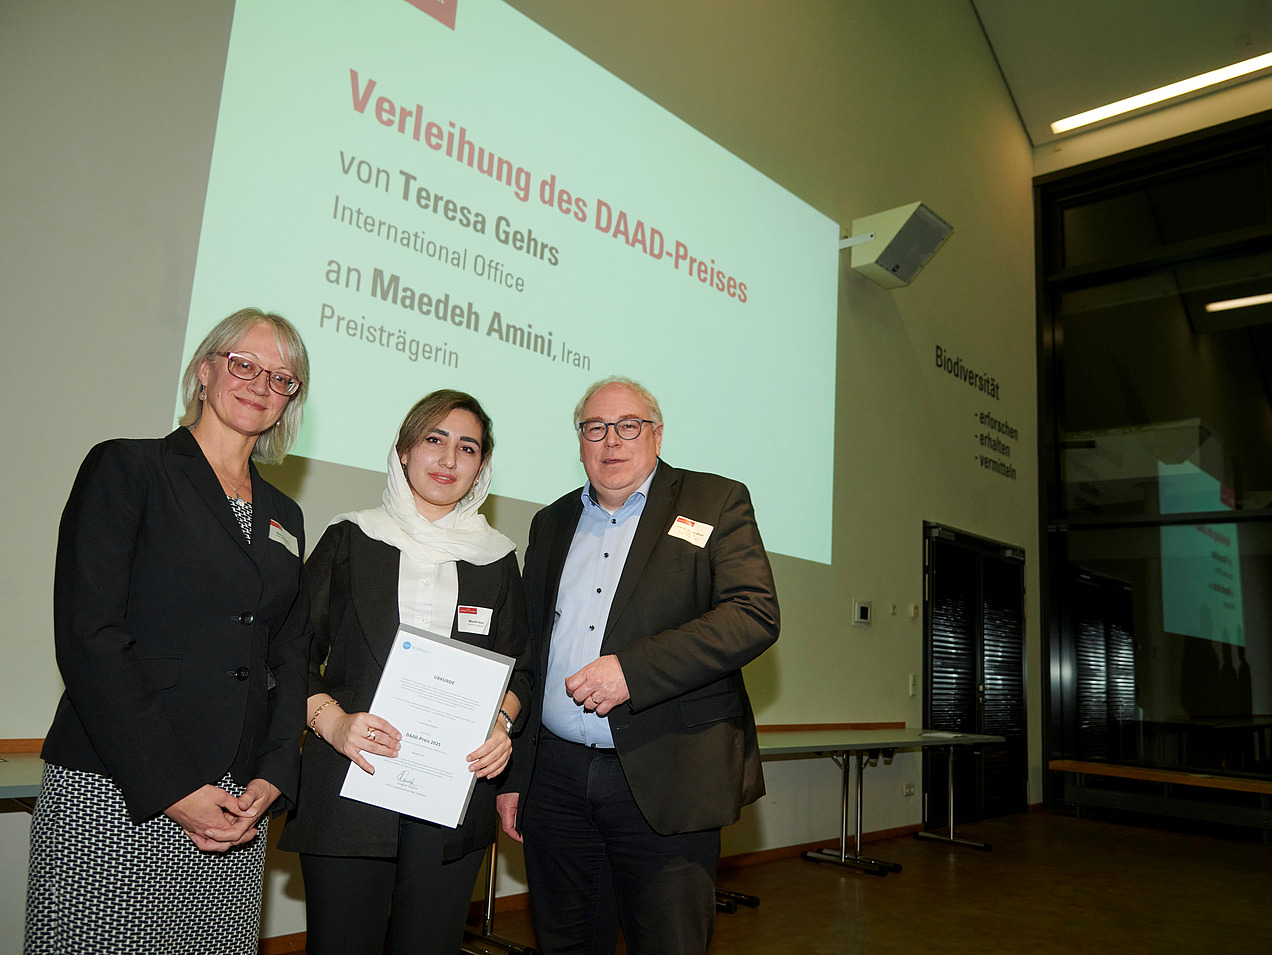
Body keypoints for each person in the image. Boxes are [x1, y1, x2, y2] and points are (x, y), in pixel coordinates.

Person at [26, 308, 312, 954]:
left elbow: (288, 654)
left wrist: (272, 775)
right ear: (205, 370)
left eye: (282, 377)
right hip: (123, 786)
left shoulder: (286, 514)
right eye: (244, 364)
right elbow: (89, 635)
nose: (261, 384)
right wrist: (174, 788)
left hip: (237, 807)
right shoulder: (128, 469)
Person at [498, 376, 780, 955]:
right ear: (580, 442)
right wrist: (516, 775)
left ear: (655, 435)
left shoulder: (714, 501)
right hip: (555, 781)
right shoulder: (550, 523)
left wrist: (633, 670)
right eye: (595, 428)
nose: (612, 441)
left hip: (664, 772)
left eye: (628, 426)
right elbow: (529, 653)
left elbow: (754, 614)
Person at [278, 390, 533, 955]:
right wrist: (332, 723)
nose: (448, 459)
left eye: (467, 448)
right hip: (351, 779)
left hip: (454, 791)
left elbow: (522, 671)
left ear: (481, 467)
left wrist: (501, 725)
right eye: (433, 440)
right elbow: (290, 650)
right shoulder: (351, 536)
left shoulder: (496, 558)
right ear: (403, 451)